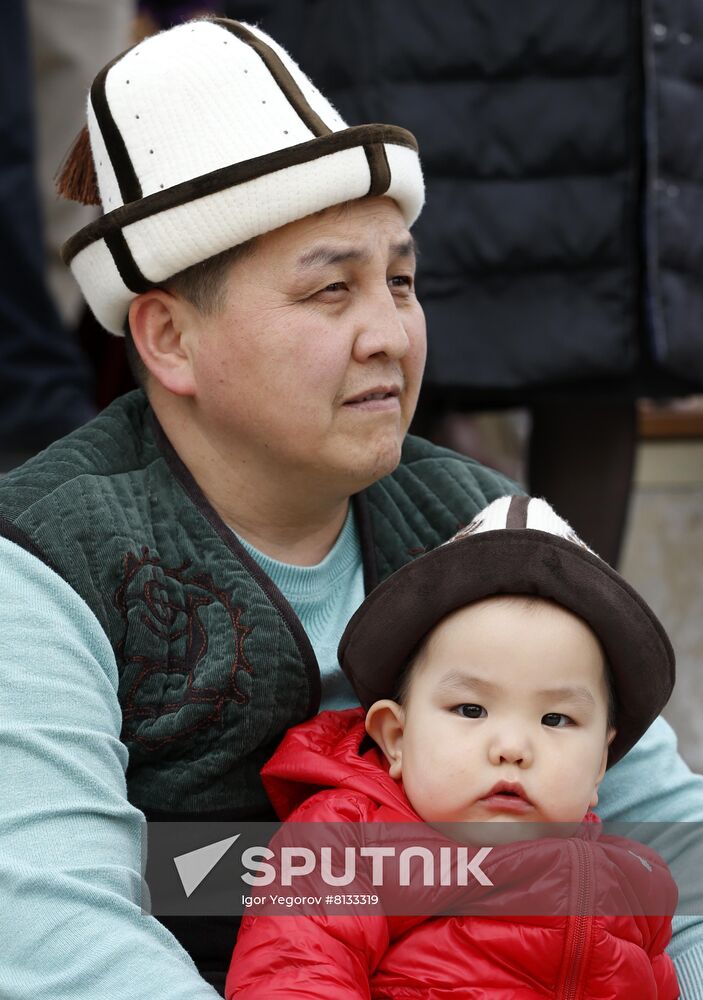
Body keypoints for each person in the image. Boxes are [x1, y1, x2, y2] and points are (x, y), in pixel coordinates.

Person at [0, 16, 701, 1000]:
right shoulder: (41, 560)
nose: (390, 334)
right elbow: (57, 934)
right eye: (332, 290)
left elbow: (680, 858)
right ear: (167, 337)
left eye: (401, 281)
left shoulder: (485, 525)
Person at [228, 494, 679, 998]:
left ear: (599, 766)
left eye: (556, 718)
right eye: (471, 710)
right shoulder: (348, 844)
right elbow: (295, 972)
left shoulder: (635, 884)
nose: (512, 747)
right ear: (396, 739)